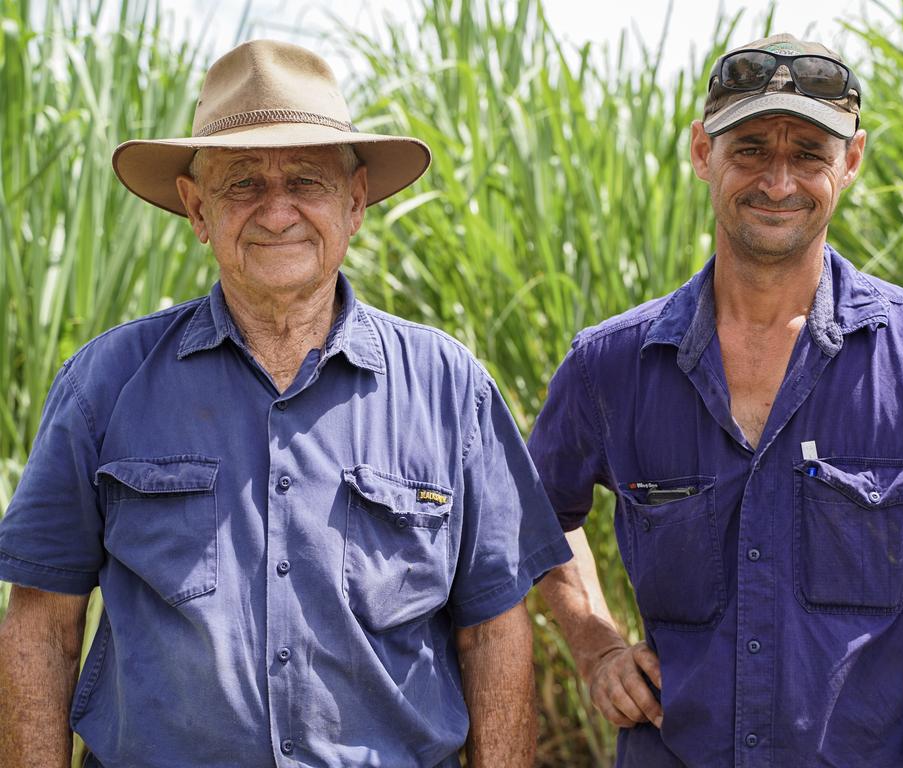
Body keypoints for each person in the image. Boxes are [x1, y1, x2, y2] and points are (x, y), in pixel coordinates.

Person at [0, 39, 571, 768]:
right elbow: (41, 626)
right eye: (242, 184)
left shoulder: (448, 387)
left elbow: (493, 630)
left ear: (355, 201)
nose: (277, 212)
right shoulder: (104, 384)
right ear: (196, 208)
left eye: (306, 180)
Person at [529, 33, 903, 767]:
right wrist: (594, 641)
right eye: (752, 149)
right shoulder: (612, 365)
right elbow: (532, 515)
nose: (778, 180)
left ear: (850, 162)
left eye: (810, 155)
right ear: (703, 153)